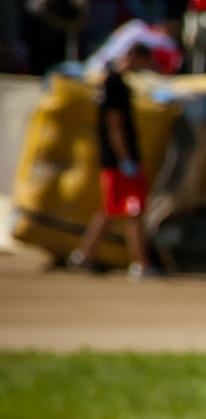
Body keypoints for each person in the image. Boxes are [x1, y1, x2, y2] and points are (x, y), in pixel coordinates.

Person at [60, 40, 164, 278]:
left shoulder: (110, 81)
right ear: (136, 58)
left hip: (114, 159)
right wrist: (125, 158)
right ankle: (141, 263)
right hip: (121, 160)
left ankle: (84, 255)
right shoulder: (115, 83)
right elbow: (114, 123)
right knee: (134, 211)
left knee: (111, 209)